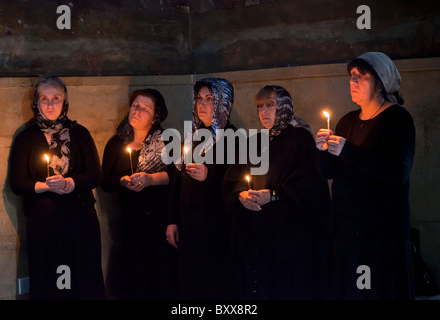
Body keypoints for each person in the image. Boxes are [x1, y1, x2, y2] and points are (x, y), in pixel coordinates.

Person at [316, 52, 416, 299]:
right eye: (352, 77)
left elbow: (397, 172)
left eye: (362, 77)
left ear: (380, 82)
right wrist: (322, 150)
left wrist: (348, 150)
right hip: (348, 233)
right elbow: (327, 171)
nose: (354, 82)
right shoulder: (348, 120)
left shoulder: (397, 119)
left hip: (381, 235)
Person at [221, 85, 332, 300]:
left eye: (270, 106)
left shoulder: (300, 139)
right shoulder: (254, 141)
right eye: (260, 107)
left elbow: (310, 186)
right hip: (255, 234)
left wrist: (273, 194)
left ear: (283, 107)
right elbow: (231, 180)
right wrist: (240, 195)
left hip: (288, 235)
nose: (263, 112)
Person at [9, 75, 105, 300]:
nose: (50, 105)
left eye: (56, 98)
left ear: (65, 101)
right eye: (44, 99)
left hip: (80, 220)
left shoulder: (80, 133)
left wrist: (69, 183)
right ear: (36, 102)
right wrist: (47, 186)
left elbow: (95, 176)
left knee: (83, 279)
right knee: (50, 281)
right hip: (45, 224)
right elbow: (17, 183)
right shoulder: (26, 138)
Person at [101, 88, 178, 300]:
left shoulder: (167, 141)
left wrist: (150, 179)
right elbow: (105, 181)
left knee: (158, 282)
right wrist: (122, 181)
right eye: (135, 105)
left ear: (155, 117)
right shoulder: (117, 143)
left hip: (158, 224)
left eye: (145, 108)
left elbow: (177, 176)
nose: (137, 110)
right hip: (128, 227)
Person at [166, 78, 237, 300]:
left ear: (222, 103)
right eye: (199, 98)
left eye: (209, 99)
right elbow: (176, 180)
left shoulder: (233, 136)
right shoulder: (192, 134)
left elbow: (237, 180)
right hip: (189, 226)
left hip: (217, 228)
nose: (202, 104)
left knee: (214, 285)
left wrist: (210, 175)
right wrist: (172, 220)